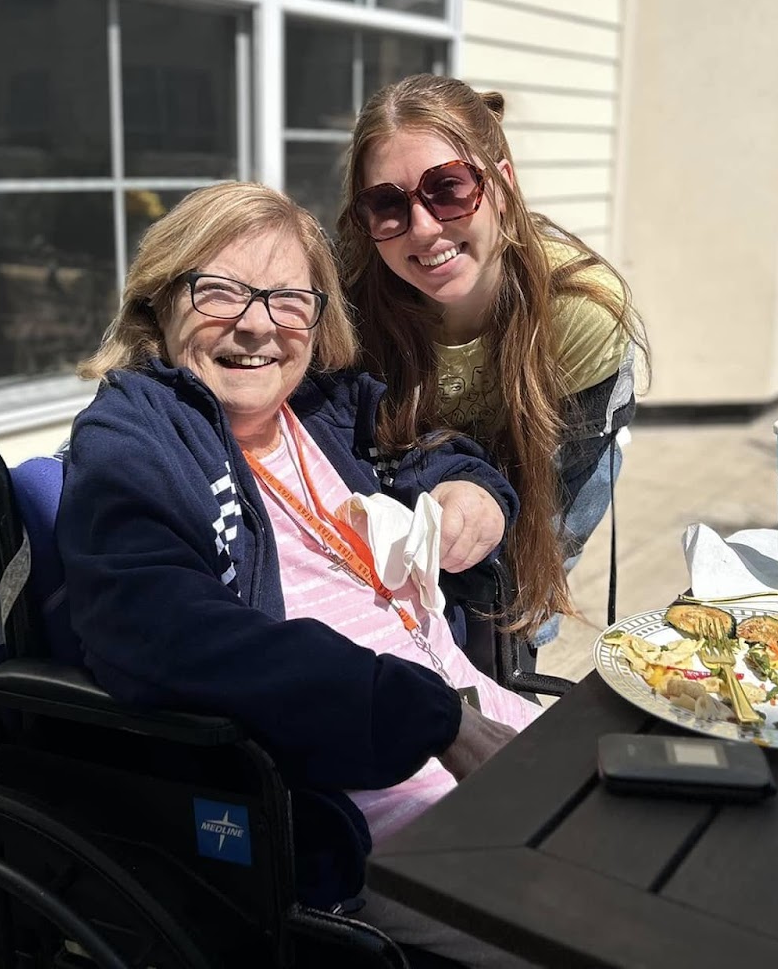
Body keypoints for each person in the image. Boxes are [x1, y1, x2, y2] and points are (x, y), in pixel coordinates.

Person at [57, 181, 538, 966]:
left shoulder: (329, 406)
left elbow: (441, 450)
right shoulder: (133, 441)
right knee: (615, 929)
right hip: (356, 815)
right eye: (219, 291)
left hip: (478, 729)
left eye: (288, 299)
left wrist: (472, 492)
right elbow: (160, 631)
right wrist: (413, 713)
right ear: (159, 302)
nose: (256, 324)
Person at [338, 74, 647, 650]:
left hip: (540, 487)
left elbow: (554, 503)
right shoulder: (348, 302)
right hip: (401, 518)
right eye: (386, 205)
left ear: (502, 184)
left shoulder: (579, 312)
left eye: (449, 189)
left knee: (509, 627)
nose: (425, 229)